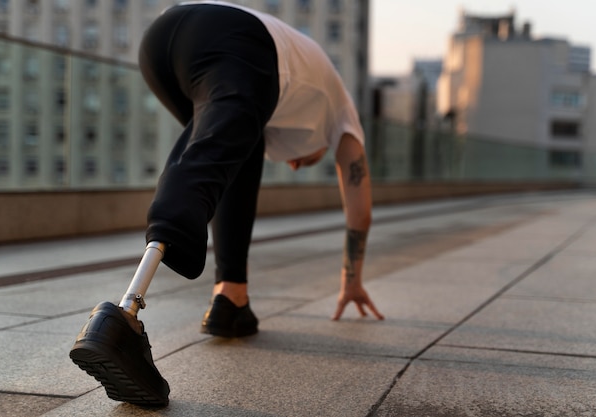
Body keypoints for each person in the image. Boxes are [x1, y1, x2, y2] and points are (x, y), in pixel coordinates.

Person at [69, 0, 383, 408]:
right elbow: (359, 205)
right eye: (301, 159)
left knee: (229, 157)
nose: (293, 163)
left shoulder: (275, 104)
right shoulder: (343, 114)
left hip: (163, 43)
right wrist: (352, 279)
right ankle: (121, 320)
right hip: (241, 42)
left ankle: (231, 298)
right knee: (205, 166)